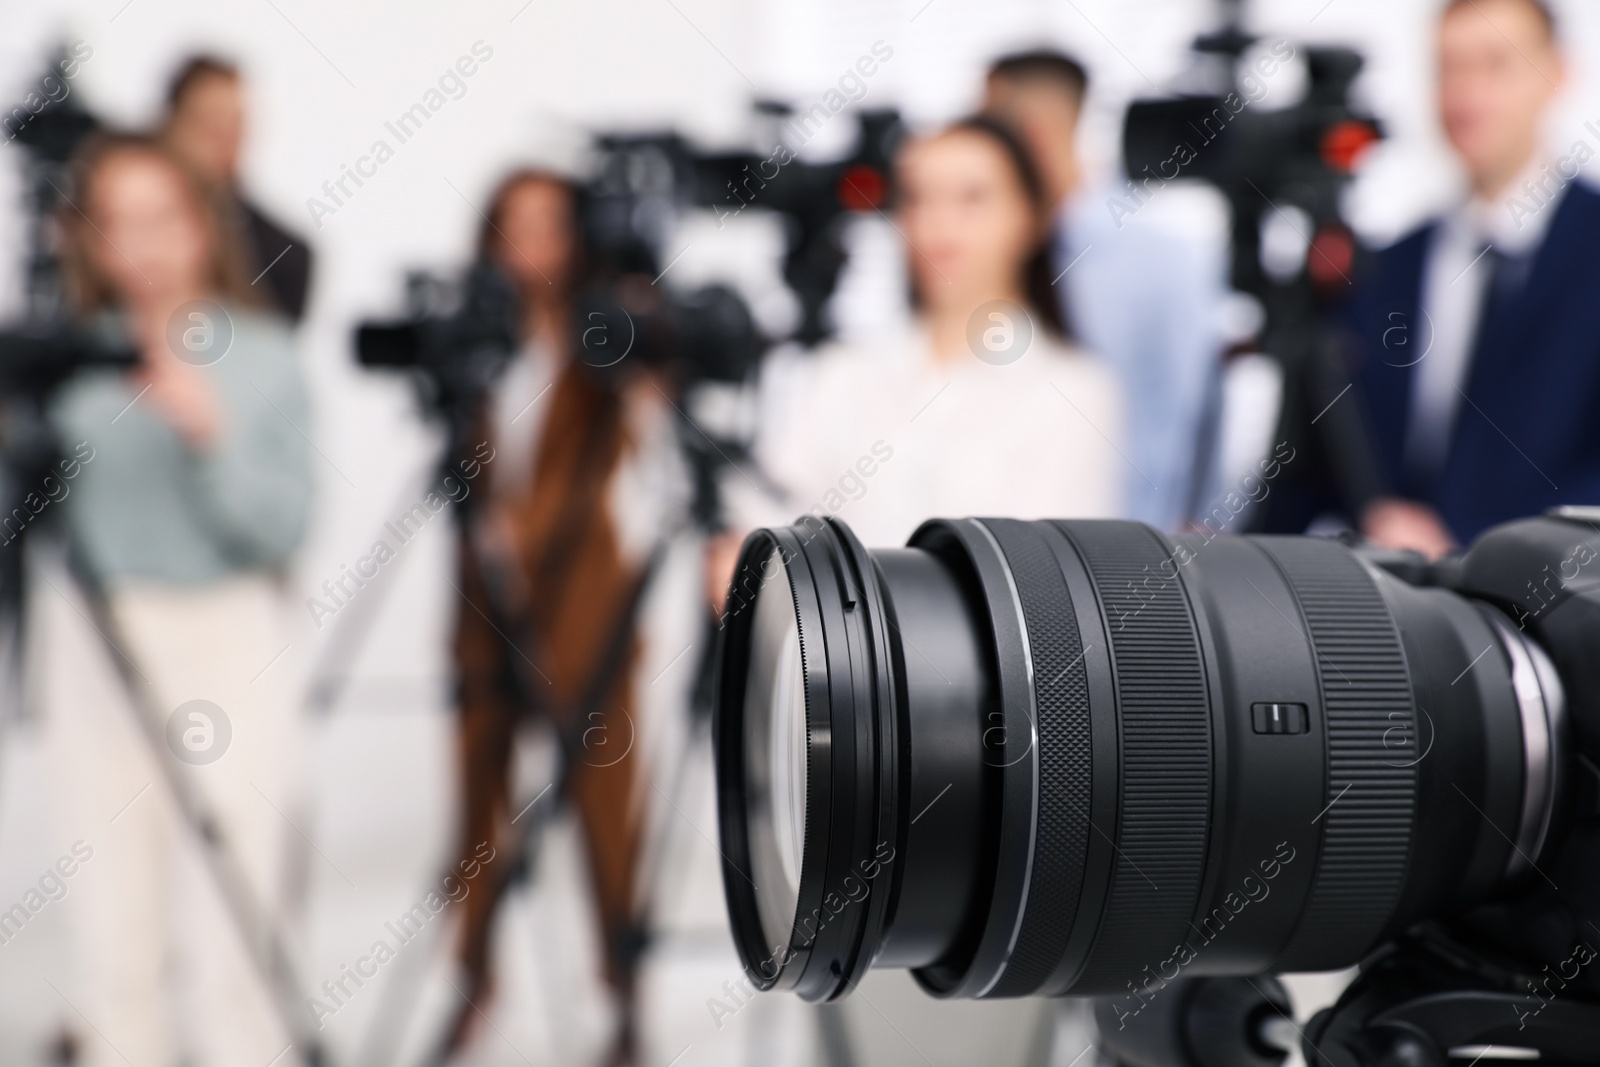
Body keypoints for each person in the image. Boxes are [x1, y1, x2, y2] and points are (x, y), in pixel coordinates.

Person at [41, 132, 312, 1066]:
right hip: (96, 635)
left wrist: (211, 433)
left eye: (161, 218)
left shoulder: (265, 355)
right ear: (90, 240)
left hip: (228, 633)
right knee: (115, 918)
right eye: (116, 224)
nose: (142, 246)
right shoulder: (61, 363)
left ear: (201, 224)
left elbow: (279, 527)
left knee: (235, 916)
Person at [449, 168, 684, 1067]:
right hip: (482, 598)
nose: (531, 246)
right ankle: (474, 983)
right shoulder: (479, 334)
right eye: (514, 226)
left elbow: (649, 419)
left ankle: (624, 996)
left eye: (549, 225)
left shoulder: (603, 334)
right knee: (477, 800)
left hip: (587, 599)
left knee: (607, 806)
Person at [730, 115, 1125, 550]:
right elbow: (765, 529)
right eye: (917, 198)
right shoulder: (843, 371)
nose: (939, 222)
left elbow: (1051, 586)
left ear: (1031, 217)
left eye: (971, 197)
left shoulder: (1073, 392)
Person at [1350, 0, 1600, 555]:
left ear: (1558, 75)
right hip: (1396, 607)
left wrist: (1475, 553)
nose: (1467, 93)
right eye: (1449, 67)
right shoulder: (1389, 266)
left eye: (1496, 64)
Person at [985, 50, 1224, 532]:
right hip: (1014, 549)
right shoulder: (997, 256)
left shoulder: (1158, 257)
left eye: (991, 129)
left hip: (1133, 557)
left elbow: (1195, 416)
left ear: (1031, 132)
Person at [162, 55, 314, 322]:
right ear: (171, 124)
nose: (227, 139)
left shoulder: (286, 255)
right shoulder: (121, 230)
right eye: (210, 122)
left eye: (236, 124)